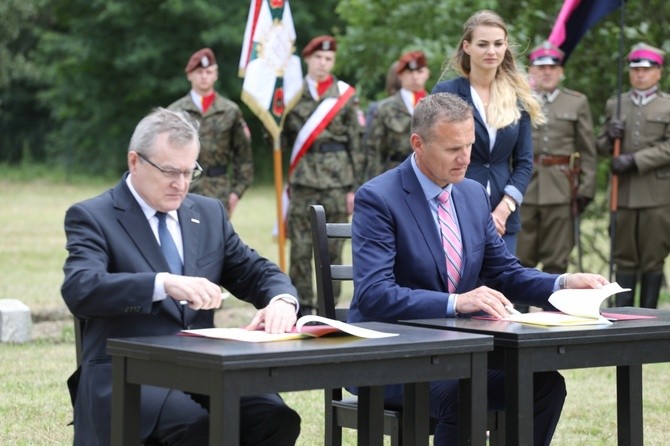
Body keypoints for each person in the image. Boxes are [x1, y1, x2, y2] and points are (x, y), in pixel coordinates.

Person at [347, 92, 609, 446]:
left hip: (457, 354)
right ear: (418, 144)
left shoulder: (471, 194)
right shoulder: (378, 198)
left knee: (545, 385)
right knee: (465, 395)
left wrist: (563, 283)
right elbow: (374, 295)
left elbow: (505, 273)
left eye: (469, 145)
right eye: (453, 148)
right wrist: (457, 302)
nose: (466, 157)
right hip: (391, 355)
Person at [61, 108, 301, 445]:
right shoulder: (94, 216)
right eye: (170, 171)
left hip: (205, 368)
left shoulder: (207, 213)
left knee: (276, 419)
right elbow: (80, 288)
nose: (182, 184)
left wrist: (281, 300)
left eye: (191, 171)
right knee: (196, 428)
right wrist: (161, 284)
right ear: (135, 162)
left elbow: (255, 270)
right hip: (129, 374)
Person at [432, 10, 544, 254]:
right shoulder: (446, 93)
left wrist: (504, 209)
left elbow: (524, 163)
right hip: (454, 209)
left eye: (498, 44)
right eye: (483, 44)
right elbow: (433, 154)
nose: (491, 51)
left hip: (504, 218)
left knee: (502, 287)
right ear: (467, 46)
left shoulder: (517, 98)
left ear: (506, 47)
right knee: (463, 289)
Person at [281, 35, 364, 313]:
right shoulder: (291, 95)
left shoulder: (344, 95)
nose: (323, 63)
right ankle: (302, 307)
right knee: (301, 248)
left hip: (337, 183)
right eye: (318, 57)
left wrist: (354, 188)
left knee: (333, 248)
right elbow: (281, 141)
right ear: (307, 59)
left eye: (328, 59)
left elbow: (357, 143)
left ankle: (329, 307)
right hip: (303, 180)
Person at [597, 42, 670, 309]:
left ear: (658, 72)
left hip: (656, 195)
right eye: (635, 69)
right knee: (624, 258)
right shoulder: (615, 105)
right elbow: (601, 148)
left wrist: (635, 160)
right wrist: (609, 136)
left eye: (647, 69)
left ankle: (650, 322)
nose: (640, 74)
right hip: (623, 193)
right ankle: (622, 319)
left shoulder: (667, 105)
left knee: (652, 258)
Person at [517, 41, 597, 275]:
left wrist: (587, 188)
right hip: (524, 187)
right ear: (531, 71)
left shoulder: (576, 102)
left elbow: (588, 150)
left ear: (561, 72)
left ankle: (552, 309)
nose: (547, 72)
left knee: (557, 259)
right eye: (541, 67)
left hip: (562, 187)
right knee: (521, 257)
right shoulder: (518, 101)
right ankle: (518, 311)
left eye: (552, 67)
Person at [168, 47, 253, 217]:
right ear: (189, 75)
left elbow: (243, 156)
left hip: (219, 191)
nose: (204, 76)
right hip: (184, 188)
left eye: (209, 72)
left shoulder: (230, 111)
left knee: (218, 242)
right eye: (199, 72)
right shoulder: (175, 112)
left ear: (216, 75)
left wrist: (236, 192)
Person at [366, 51, 431, 178]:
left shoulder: (436, 105)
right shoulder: (385, 108)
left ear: (427, 74)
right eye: (409, 72)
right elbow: (375, 150)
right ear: (400, 75)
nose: (414, 76)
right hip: (395, 171)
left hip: (429, 171)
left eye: (419, 71)